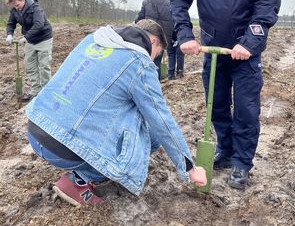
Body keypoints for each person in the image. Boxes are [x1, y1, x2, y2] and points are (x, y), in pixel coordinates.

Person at [26, 19, 207, 206]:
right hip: (62, 149)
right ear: (153, 41)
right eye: (157, 54)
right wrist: (190, 168)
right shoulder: (139, 64)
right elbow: (161, 120)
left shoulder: (93, 40)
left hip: (35, 130)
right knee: (150, 136)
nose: (153, 59)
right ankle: (80, 179)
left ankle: (84, 168)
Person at [170, 0, 281, 189]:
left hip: (245, 55)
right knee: (216, 107)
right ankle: (226, 151)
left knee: (245, 110)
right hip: (213, 53)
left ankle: (242, 163)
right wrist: (185, 35)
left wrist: (249, 42)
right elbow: (179, 1)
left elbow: (268, 3)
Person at [5, 0, 53, 102]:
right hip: (30, 41)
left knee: (44, 65)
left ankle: (46, 92)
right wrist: (9, 34)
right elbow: (11, 23)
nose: (16, 8)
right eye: (14, 6)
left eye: (17, 5)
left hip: (43, 38)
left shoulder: (35, 8)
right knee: (30, 66)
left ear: (22, 0)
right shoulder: (15, 10)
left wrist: (26, 37)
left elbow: (39, 24)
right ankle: (35, 92)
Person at [135, 0, 174, 79]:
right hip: (162, 39)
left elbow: (139, 19)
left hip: (146, 37)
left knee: (144, 60)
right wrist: (173, 37)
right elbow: (173, 22)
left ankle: (143, 81)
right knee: (157, 61)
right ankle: (155, 82)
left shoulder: (146, 2)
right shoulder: (171, 5)